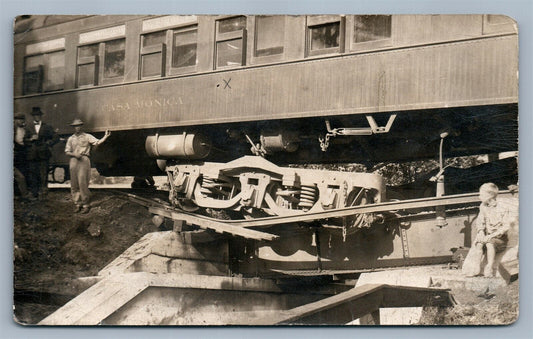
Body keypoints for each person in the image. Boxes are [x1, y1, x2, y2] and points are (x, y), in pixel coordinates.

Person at [65, 119, 111, 214]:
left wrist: (105, 136)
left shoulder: (87, 136)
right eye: (75, 126)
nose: (77, 127)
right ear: (73, 128)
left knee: (83, 182)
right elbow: (67, 151)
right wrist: (74, 154)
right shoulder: (71, 139)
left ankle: (86, 204)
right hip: (74, 160)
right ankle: (78, 204)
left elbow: (97, 142)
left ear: (81, 126)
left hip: (83, 160)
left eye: (79, 125)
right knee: (74, 183)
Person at [471, 183, 513, 277]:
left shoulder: (502, 208)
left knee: (489, 242)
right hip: (488, 236)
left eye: (481, 194)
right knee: (479, 242)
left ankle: (489, 267)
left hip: (500, 239)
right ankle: (477, 267)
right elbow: (480, 221)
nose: (479, 196)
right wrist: (481, 232)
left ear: (489, 195)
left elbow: (505, 227)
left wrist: (490, 236)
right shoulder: (483, 206)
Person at [24, 107, 58, 199]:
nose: (37, 117)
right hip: (32, 154)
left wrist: (48, 143)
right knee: (33, 173)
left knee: (43, 173)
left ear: (41, 116)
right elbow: (23, 140)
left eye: (38, 115)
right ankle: (34, 193)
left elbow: (56, 137)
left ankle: (44, 193)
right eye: (35, 115)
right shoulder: (28, 127)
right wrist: (31, 139)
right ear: (33, 117)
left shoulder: (47, 127)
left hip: (43, 154)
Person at [14, 113, 32, 201]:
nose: (22, 121)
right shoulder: (12, 128)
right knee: (17, 176)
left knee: (23, 172)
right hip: (15, 152)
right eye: (20, 120)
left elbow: (25, 140)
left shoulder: (25, 129)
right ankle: (17, 194)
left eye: (23, 120)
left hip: (22, 153)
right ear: (16, 120)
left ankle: (22, 194)